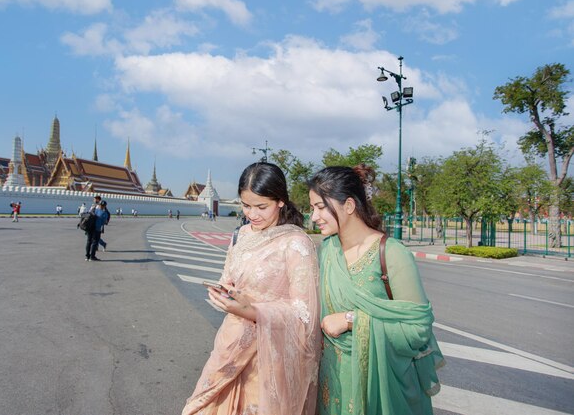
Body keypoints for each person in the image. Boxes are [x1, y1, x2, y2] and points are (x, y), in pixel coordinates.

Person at [182, 162, 321, 415]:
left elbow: (305, 315)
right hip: (231, 342)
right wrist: (224, 292)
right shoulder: (242, 234)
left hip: (269, 358)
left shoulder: (296, 243)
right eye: (246, 206)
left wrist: (253, 310)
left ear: (280, 201)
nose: (252, 214)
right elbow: (229, 277)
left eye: (261, 207)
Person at [308, 165, 444, 415]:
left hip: (380, 386)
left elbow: (418, 330)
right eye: (312, 208)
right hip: (332, 383)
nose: (313, 217)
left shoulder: (392, 253)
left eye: (320, 207)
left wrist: (352, 321)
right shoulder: (327, 250)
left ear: (348, 206)